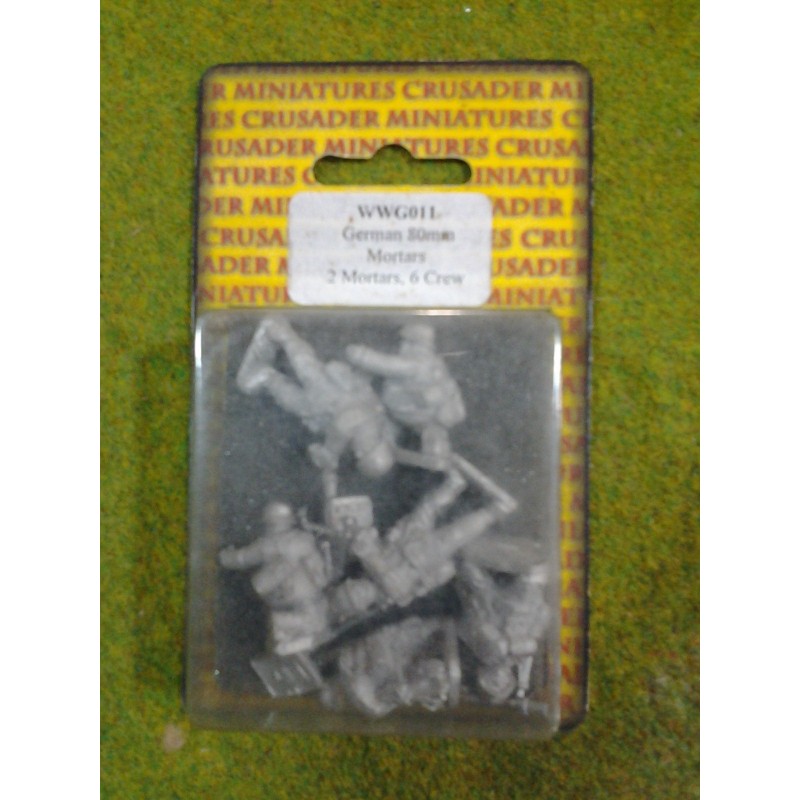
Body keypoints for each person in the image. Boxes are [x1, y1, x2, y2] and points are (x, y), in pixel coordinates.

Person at [237, 317, 396, 486]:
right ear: (376, 445)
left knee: (292, 400)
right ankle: (284, 334)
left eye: (359, 457)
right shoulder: (367, 425)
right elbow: (341, 426)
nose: (358, 453)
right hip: (330, 394)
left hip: (321, 410)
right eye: (363, 454)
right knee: (306, 367)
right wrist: (330, 453)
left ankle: (266, 377)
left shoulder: (373, 431)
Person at [219, 502, 330, 656]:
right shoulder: (304, 540)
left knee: (282, 643)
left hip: (285, 612)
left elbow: (239, 559)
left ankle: (288, 650)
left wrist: (223, 556)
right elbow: (321, 578)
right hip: (311, 608)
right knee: (307, 638)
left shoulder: (266, 545)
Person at [345, 322, 465, 459]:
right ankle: (426, 445)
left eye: (406, 342)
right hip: (415, 414)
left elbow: (384, 364)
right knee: (389, 428)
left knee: (382, 425)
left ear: (414, 344)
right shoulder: (435, 362)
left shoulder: (415, 364)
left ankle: (431, 447)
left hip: (413, 414)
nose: (402, 346)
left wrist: (359, 354)